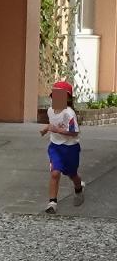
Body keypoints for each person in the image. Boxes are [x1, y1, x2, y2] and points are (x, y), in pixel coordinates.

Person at [41, 81, 85, 214]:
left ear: (67, 98)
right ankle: (52, 203)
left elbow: (74, 132)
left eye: (60, 95)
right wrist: (47, 128)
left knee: (72, 174)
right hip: (55, 147)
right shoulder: (50, 110)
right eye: (54, 95)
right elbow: (52, 124)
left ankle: (79, 187)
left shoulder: (69, 114)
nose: (56, 98)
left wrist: (57, 130)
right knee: (55, 173)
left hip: (71, 148)